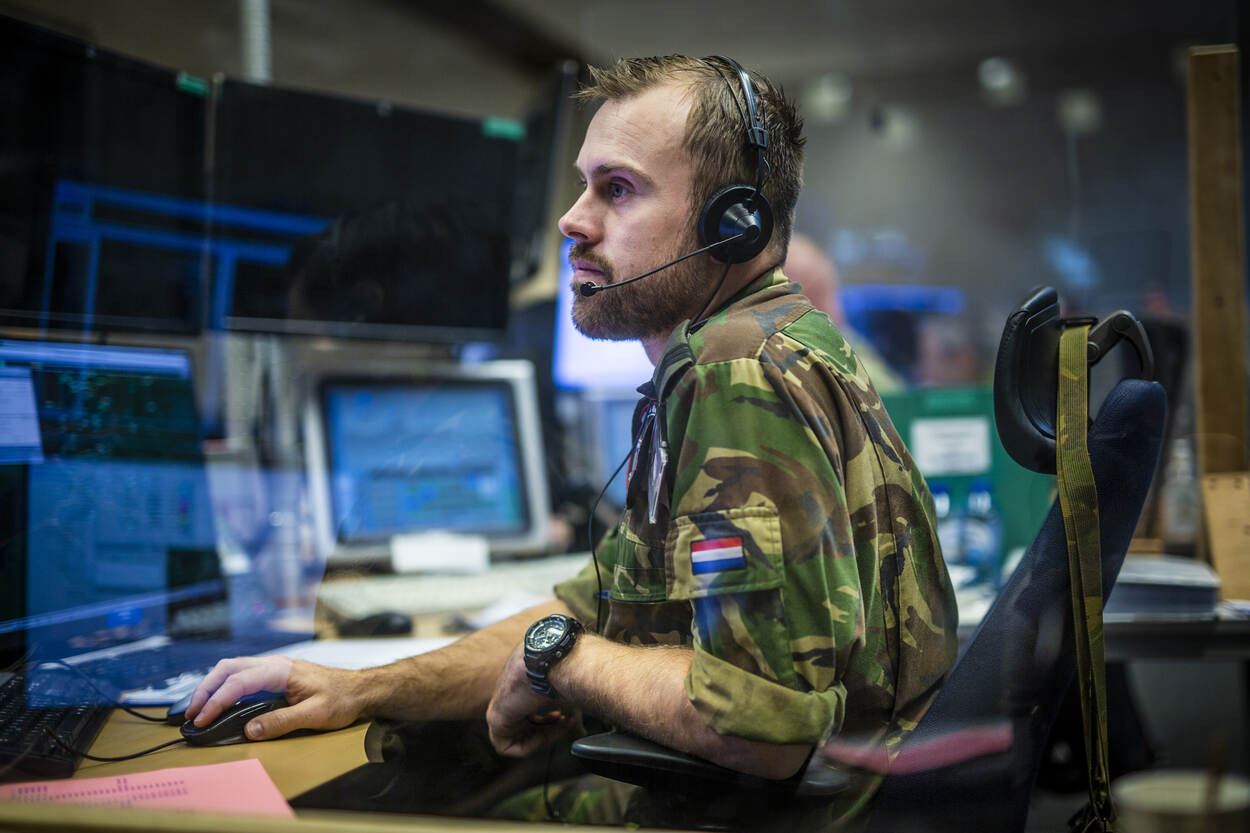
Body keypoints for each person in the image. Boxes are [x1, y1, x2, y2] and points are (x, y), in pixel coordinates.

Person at [185, 55, 958, 829]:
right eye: (585, 184)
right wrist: (361, 685)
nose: (573, 219)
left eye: (616, 189)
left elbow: (761, 728)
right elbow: (579, 608)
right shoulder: (767, 344)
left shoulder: (736, 369)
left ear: (733, 224)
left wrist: (562, 661)